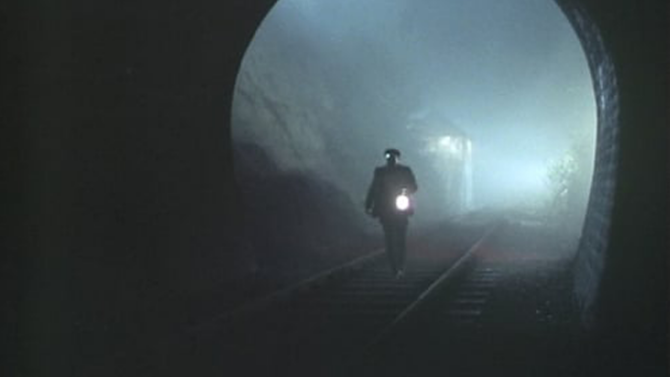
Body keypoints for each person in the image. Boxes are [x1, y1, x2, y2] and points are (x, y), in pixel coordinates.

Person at [365, 148, 418, 278]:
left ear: (398, 158)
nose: (391, 159)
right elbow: (373, 188)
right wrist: (368, 204)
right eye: (389, 156)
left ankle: (400, 265)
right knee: (390, 238)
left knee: (400, 238)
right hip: (385, 208)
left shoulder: (405, 171)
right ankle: (395, 267)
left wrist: (405, 190)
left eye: (393, 156)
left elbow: (414, 186)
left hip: (400, 208)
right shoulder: (380, 172)